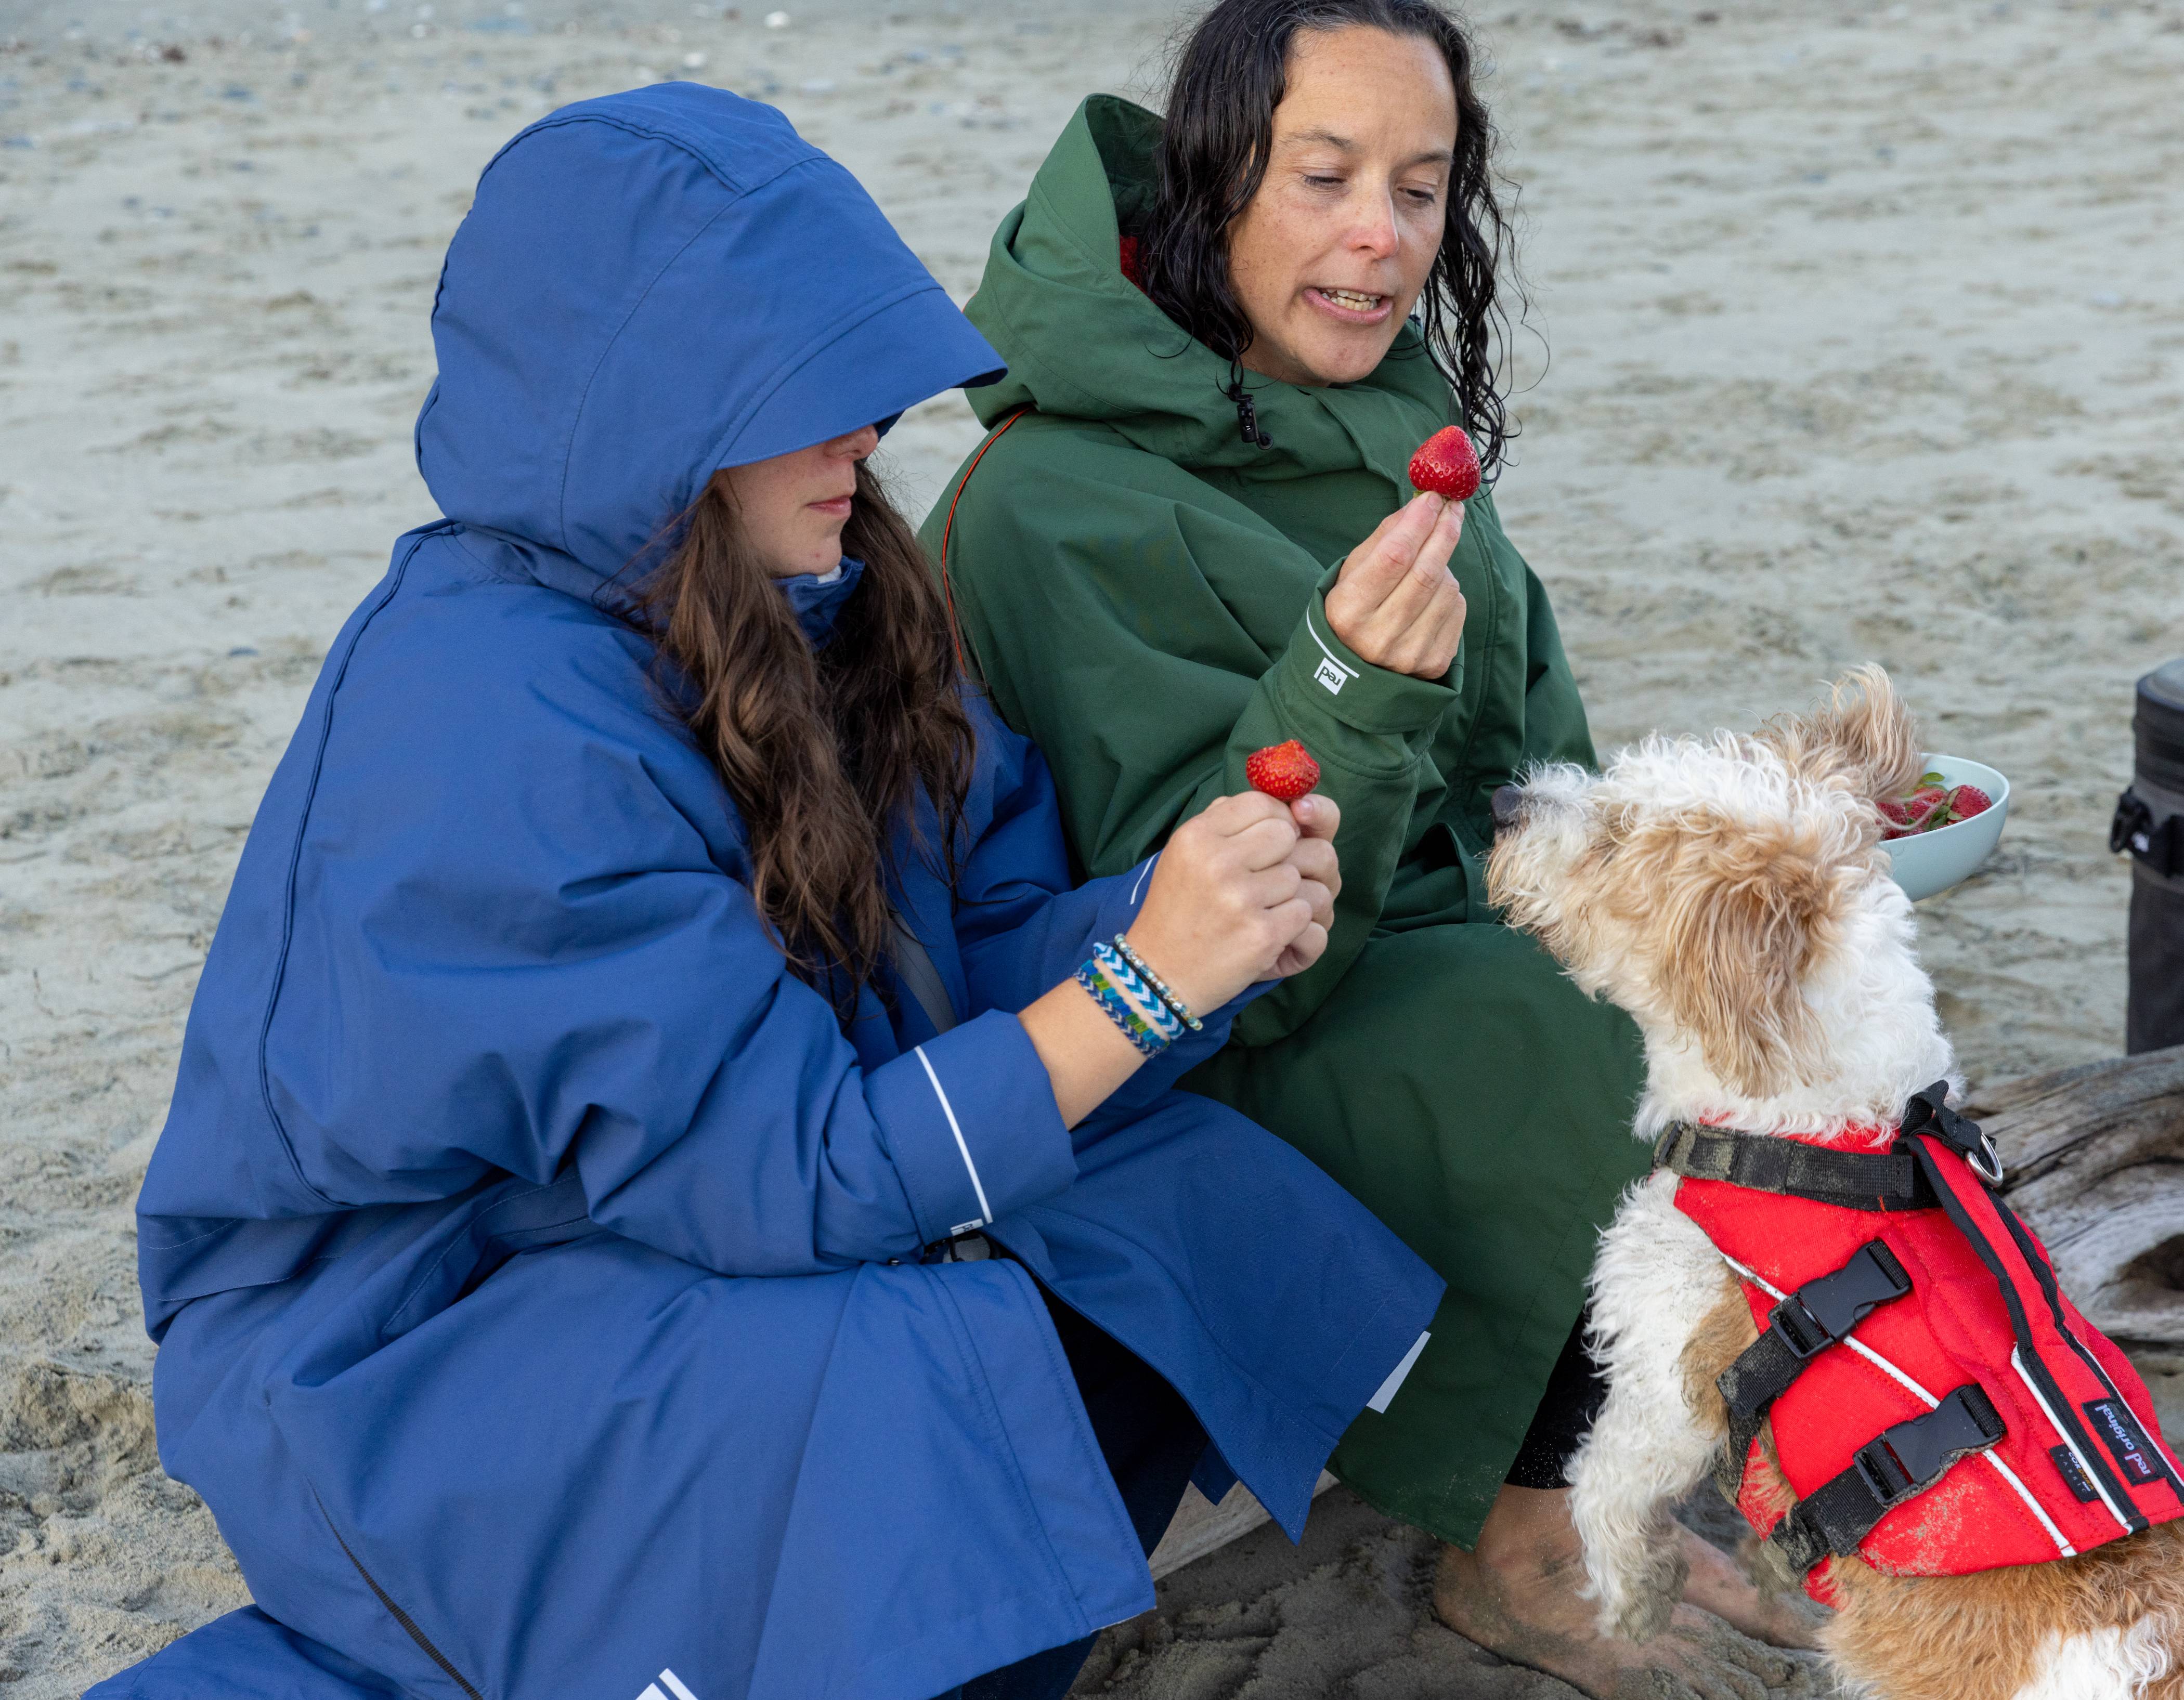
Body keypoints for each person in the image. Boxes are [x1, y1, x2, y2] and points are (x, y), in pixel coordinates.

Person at [89, 85, 1445, 1700]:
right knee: (903, 1383)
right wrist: (1141, 987)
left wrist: (1194, 920)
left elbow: (969, 956)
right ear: (659, 410)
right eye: (811, 391)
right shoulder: (485, 723)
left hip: (695, 1192)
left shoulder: (828, 599)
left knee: (1188, 1208)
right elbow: (791, 1176)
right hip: (412, 1326)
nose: (865, 432)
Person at [919, 2, 1822, 1694]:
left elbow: (1533, 765)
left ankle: (1632, 1471)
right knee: (1585, 1031)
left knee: (1745, 945)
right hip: (1181, 1043)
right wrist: (1344, 686)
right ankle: (1523, 1539)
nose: (1382, 239)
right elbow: (1213, 961)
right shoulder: (1046, 504)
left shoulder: (1375, 409)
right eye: (1323, 178)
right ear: (1212, 182)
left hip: (1406, 954)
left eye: (1420, 188)